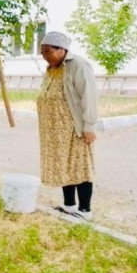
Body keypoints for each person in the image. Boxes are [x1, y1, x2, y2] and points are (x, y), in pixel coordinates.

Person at [37, 31, 98, 220]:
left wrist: (89, 126)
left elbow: (89, 97)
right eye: (43, 53)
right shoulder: (52, 68)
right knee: (64, 165)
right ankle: (69, 206)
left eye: (48, 52)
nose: (45, 57)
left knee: (80, 166)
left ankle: (85, 210)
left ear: (62, 49)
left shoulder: (78, 65)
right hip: (55, 130)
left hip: (74, 128)